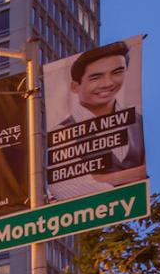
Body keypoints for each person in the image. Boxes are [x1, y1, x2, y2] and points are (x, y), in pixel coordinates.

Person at [51, 41, 145, 190]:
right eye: (96, 77)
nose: (108, 83)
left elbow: (145, 171)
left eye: (117, 72)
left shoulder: (137, 121)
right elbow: (69, 188)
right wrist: (136, 173)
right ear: (75, 86)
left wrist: (104, 178)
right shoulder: (61, 131)